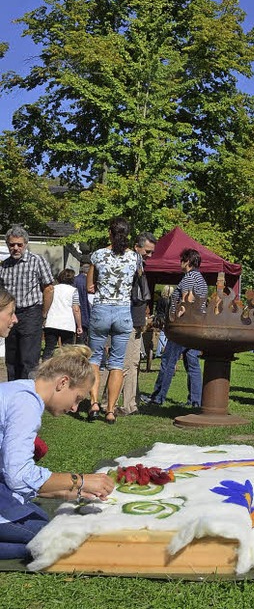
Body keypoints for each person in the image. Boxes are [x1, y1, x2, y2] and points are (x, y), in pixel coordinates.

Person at [0, 343, 115, 560]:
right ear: (63, 382)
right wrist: (79, 481)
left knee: (42, 521)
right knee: (51, 539)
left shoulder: (22, 389)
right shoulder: (27, 403)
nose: (74, 408)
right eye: (78, 398)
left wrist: (69, 490)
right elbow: (18, 476)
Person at [86, 216, 138, 424]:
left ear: (109, 233)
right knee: (117, 363)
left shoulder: (98, 255)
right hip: (123, 312)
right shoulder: (135, 257)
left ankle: (94, 403)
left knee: (94, 359)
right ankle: (110, 410)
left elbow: (90, 285)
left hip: (101, 310)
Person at [141, 250, 206, 409]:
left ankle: (158, 397)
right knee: (193, 364)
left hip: (183, 327)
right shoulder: (201, 279)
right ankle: (196, 401)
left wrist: (175, 318)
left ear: (188, 261)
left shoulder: (189, 278)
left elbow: (187, 301)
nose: (180, 263)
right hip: (197, 327)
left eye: (182, 260)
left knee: (167, 362)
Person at [0, 226, 54, 381]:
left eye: (19, 244)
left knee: (28, 360)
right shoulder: (4, 266)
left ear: (25, 244)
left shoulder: (37, 261)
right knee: (11, 360)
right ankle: (12, 394)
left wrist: (43, 313)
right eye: (12, 245)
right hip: (11, 315)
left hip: (31, 312)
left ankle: (27, 395)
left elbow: (49, 288)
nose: (16, 248)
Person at [119, 232, 156, 416]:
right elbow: (133, 296)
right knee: (127, 364)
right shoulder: (132, 264)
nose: (149, 255)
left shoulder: (139, 264)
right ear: (137, 247)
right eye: (147, 251)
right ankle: (123, 404)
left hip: (135, 320)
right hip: (129, 319)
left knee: (131, 363)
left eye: (151, 252)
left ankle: (128, 402)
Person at [42, 268, 82, 359]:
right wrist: (79, 326)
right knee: (67, 351)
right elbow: (76, 309)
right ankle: (65, 369)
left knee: (49, 348)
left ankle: (45, 369)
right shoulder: (73, 290)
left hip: (52, 322)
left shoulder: (52, 289)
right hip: (67, 323)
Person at [73, 258, 92, 344]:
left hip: (78, 312)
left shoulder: (75, 280)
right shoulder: (91, 281)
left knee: (80, 337)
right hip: (90, 312)